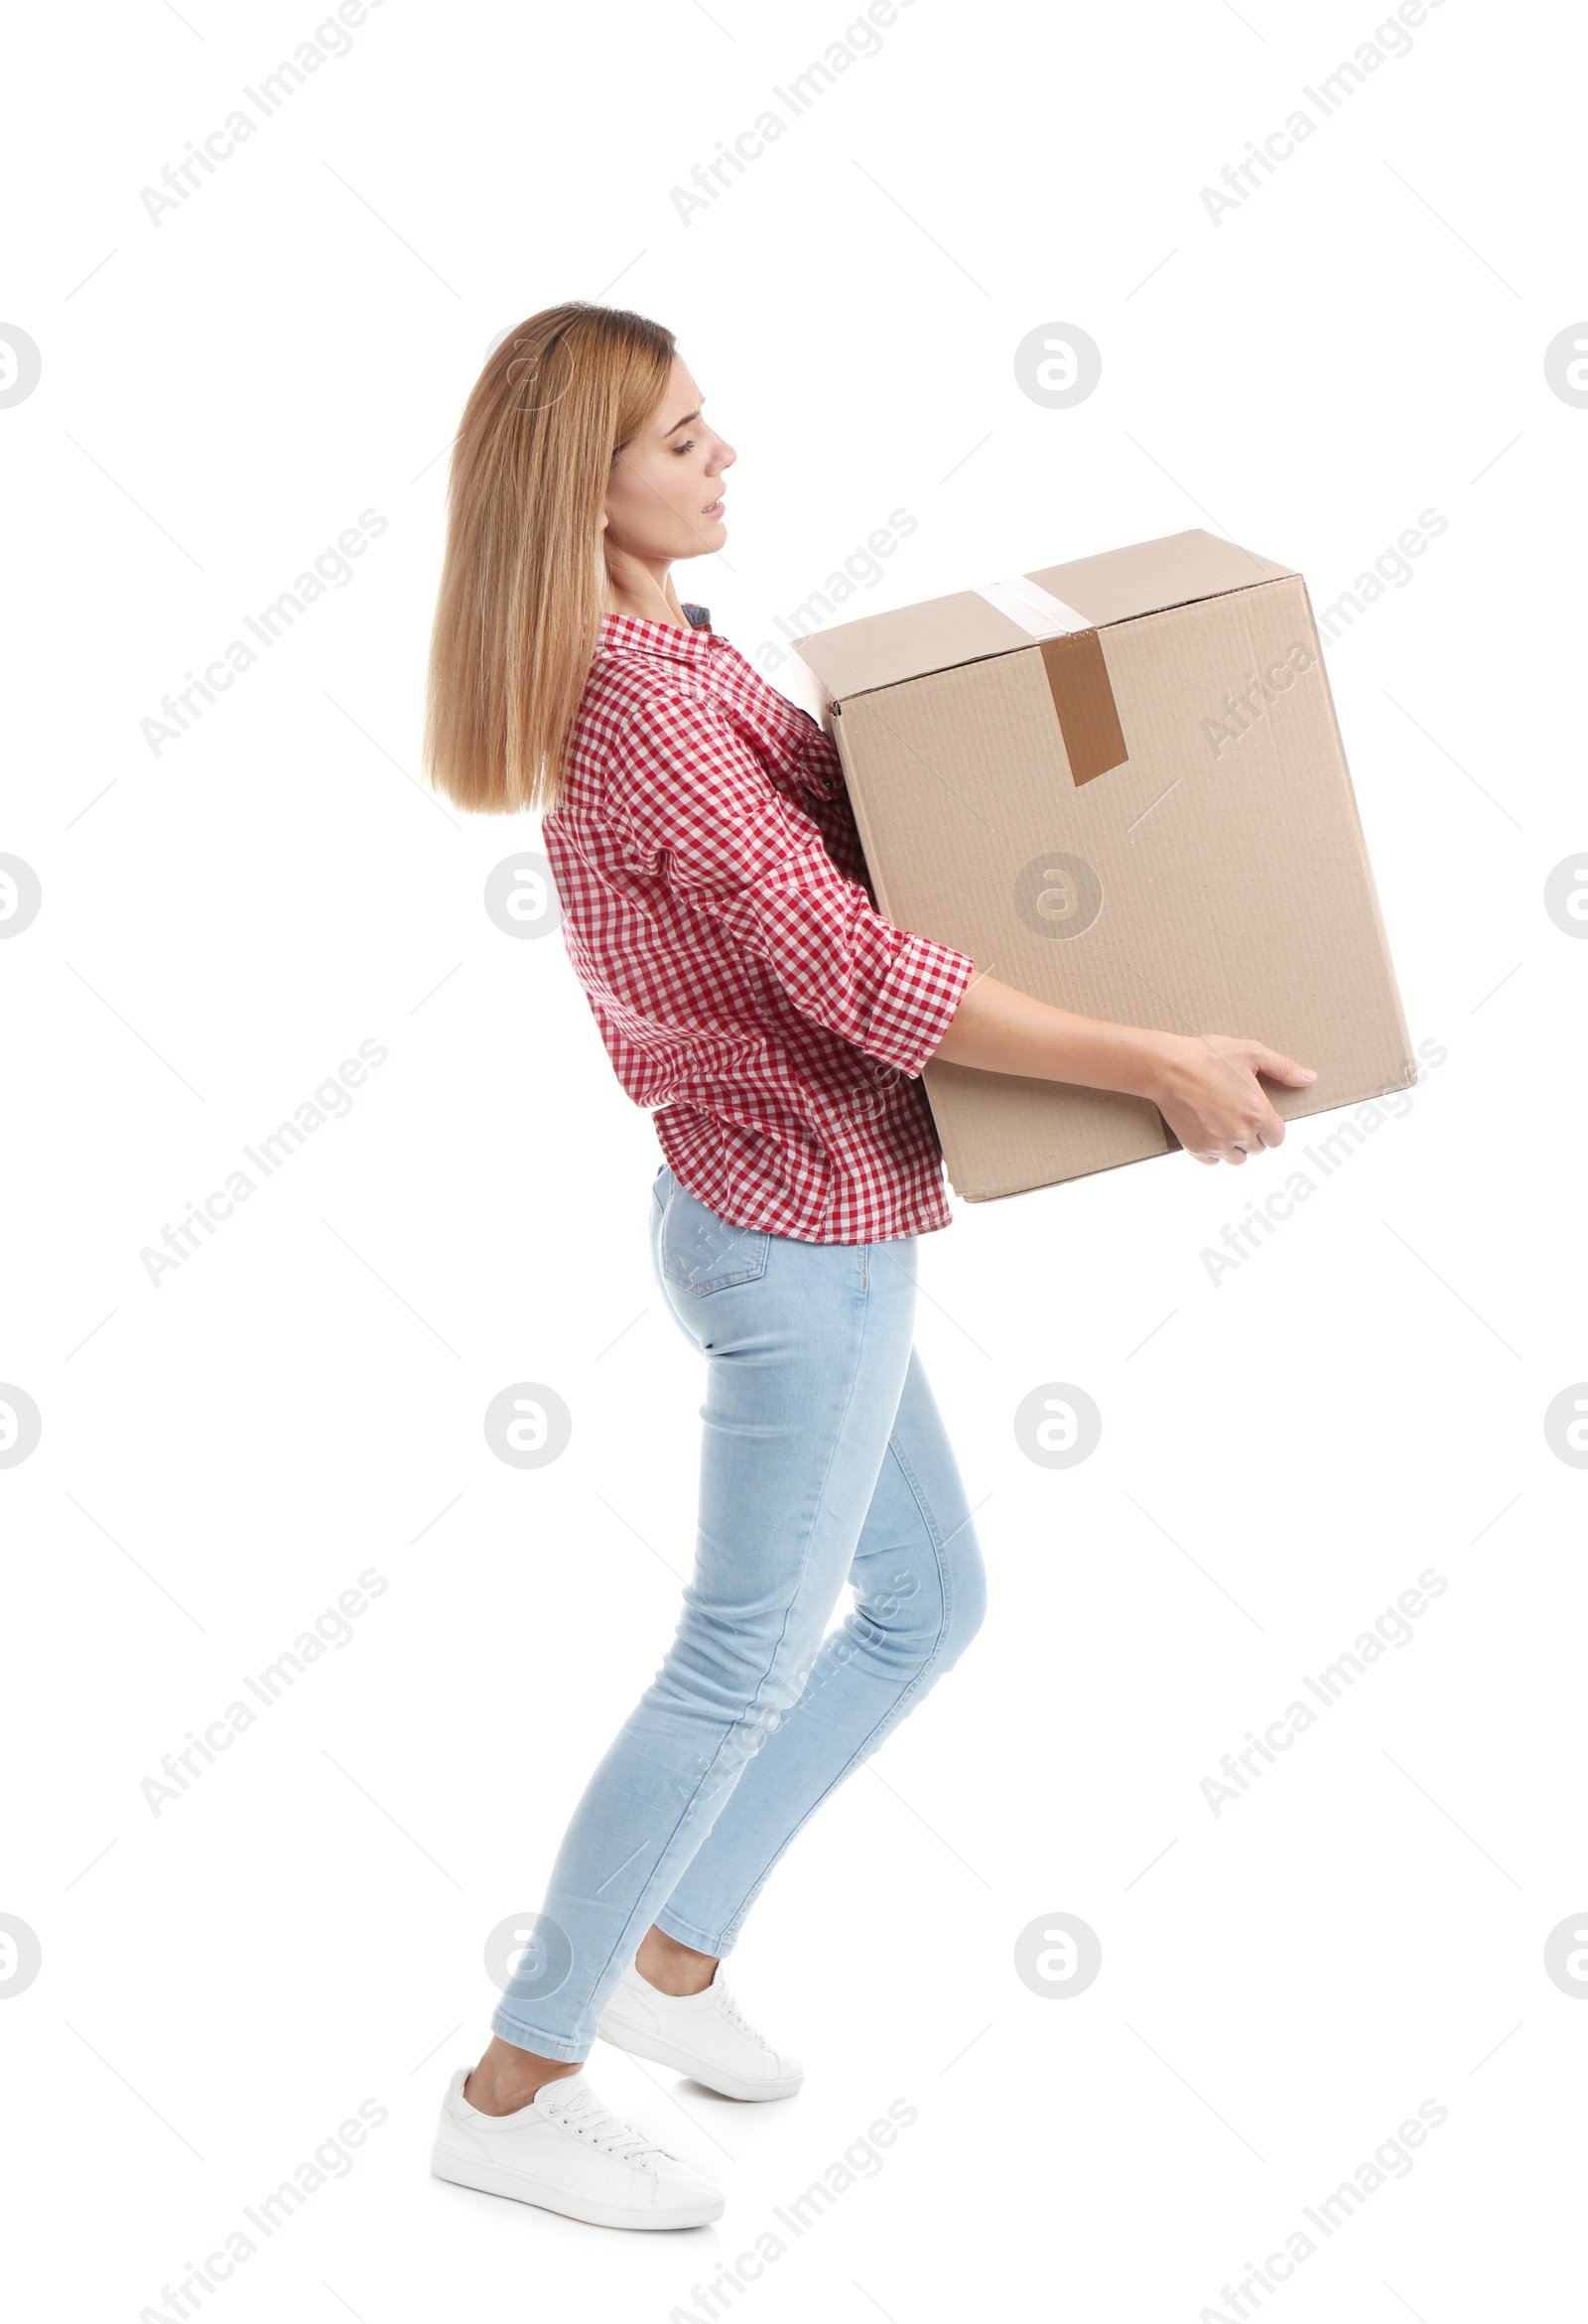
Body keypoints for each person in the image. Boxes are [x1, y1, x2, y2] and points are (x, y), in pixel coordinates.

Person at [422, 303, 1315, 2233]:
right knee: (739, 1651)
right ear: (583, 487)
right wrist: (1148, 1055)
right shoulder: (639, 703)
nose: (721, 451)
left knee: (923, 1602)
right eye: (678, 437)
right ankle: (516, 2078)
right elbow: (856, 972)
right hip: (790, 1241)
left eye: (704, 421)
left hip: (798, 1215)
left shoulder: (675, 647)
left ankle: (675, 1952)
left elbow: (863, 847)